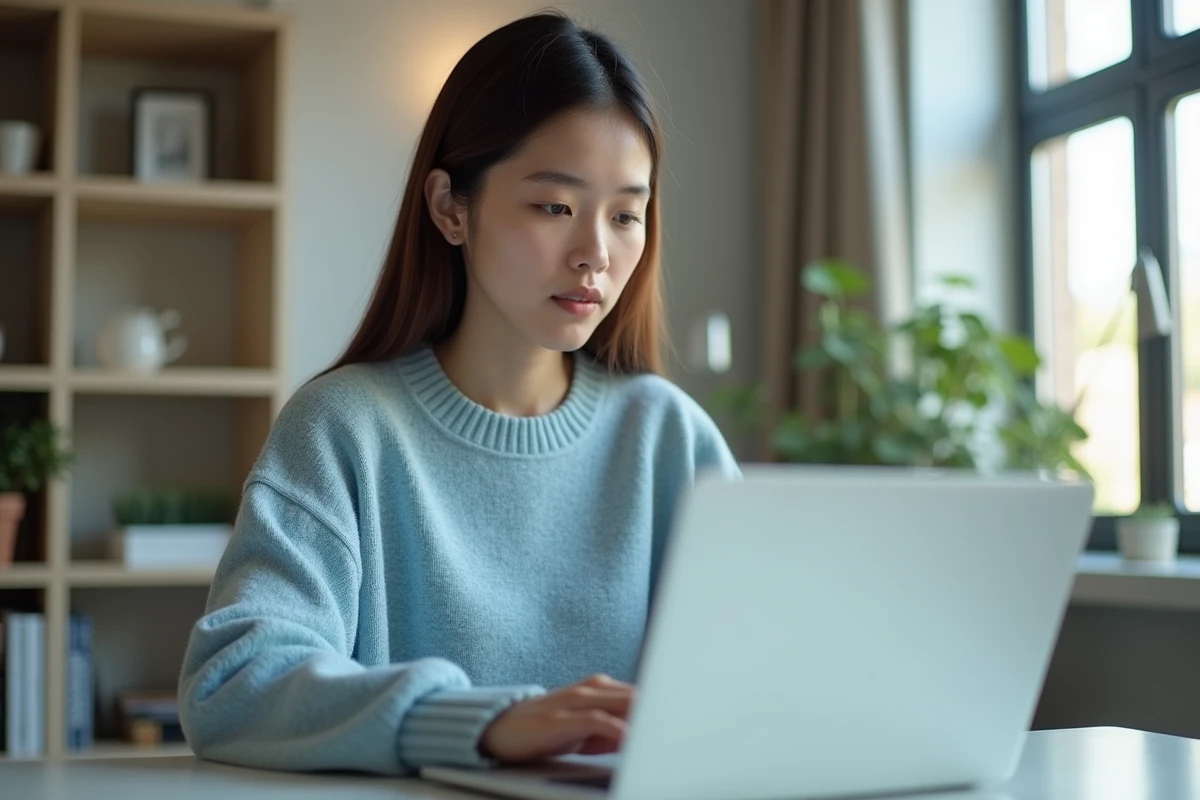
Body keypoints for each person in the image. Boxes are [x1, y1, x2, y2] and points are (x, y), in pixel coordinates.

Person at [177, 10, 739, 776]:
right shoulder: (345, 431)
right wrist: (482, 723)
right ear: (450, 207)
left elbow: (763, 684)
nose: (596, 255)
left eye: (627, 215)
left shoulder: (670, 437)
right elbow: (233, 683)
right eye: (555, 207)